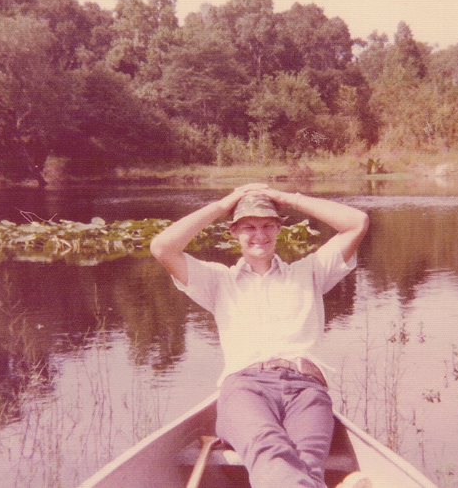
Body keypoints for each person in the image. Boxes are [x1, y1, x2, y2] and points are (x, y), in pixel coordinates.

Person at [150, 183, 370, 488]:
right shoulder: (217, 281)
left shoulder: (309, 272)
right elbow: (162, 247)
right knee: (270, 447)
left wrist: (286, 197)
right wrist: (222, 204)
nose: (260, 234)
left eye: (268, 225)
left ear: (280, 228)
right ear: (233, 232)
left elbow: (356, 223)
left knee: (306, 460)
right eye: (249, 227)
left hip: (306, 389)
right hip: (245, 388)